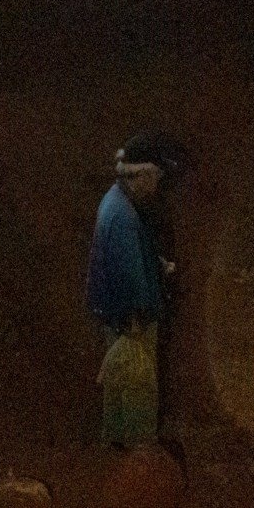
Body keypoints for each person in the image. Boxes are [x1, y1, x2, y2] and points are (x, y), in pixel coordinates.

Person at [86, 132, 178, 446]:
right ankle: (140, 457)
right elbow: (128, 277)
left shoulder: (117, 202)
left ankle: (113, 447)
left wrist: (156, 264)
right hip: (131, 323)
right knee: (138, 386)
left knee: (119, 386)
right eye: (157, 176)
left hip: (118, 318)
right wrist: (135, 326)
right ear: (142, 175)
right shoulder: (123, 217)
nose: (158, 184)